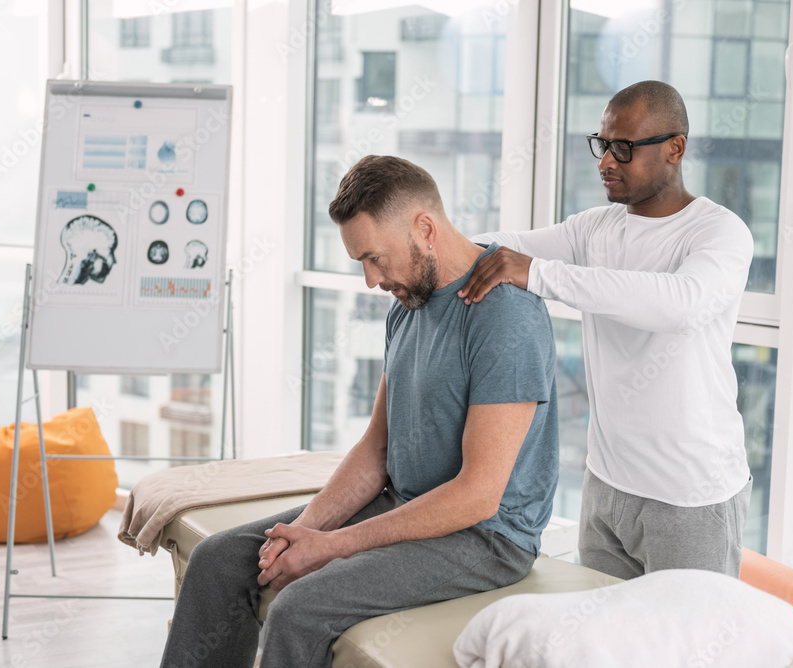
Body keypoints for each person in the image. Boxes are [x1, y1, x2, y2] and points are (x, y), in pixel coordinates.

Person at [160, 155, 559, 668]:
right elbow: (377, 449)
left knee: (300, 608)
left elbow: (477, 497)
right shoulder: (408, 304)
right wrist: (300, 534)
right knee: (219, 560)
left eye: (375, 258)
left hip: (484, 537)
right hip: (402, 502)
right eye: (361, 263)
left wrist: (330, 548)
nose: (372, 280)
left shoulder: (504, 317)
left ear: (424, 228)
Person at [458, 80, 754, 580]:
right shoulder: (595, 227)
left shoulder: (718, 231)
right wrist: (434, 242)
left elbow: (679, 305)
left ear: (675, 148)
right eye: (602, 144)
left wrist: (538, 273)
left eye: (623, 148)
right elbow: (504, 244)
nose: (606, 162)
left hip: (690, 495)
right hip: (606, 485)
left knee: (684, 651)